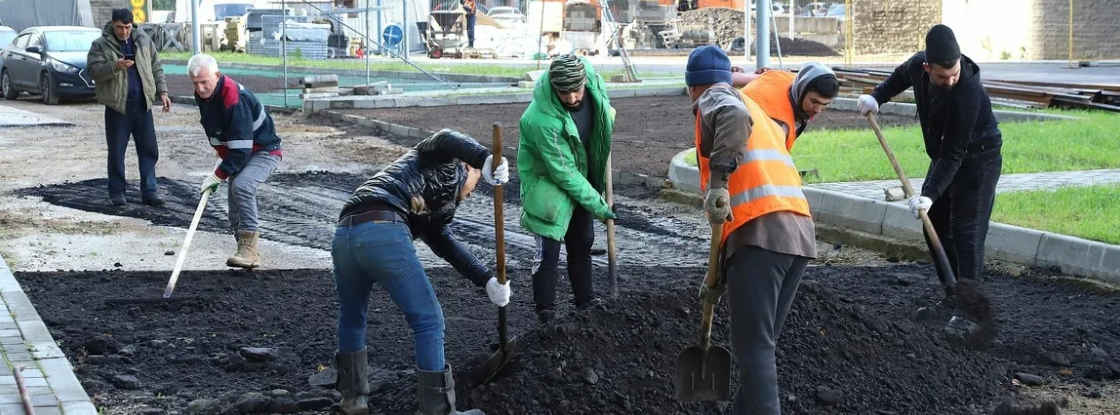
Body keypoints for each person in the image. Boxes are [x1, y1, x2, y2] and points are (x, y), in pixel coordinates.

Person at [331, 129, 510, 415]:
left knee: (352, 319)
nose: (478, 186)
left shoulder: (438, 204)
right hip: (384, 230)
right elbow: (445, 137)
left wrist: (486, 279)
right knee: (428, 320)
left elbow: (445, 244)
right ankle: (439, 410)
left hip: (345, 235)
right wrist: (484, 157)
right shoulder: (440, 158)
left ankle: (352, 400)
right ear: (466, 166)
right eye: (478, 175)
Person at [686, 45, 816, 415]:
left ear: (693, 86)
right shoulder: (756, 106)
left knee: (754, 348)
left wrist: (718, 179)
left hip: (762, 234)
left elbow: (730, 114)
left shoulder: (717, 96)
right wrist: (720, 276)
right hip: (797, 235)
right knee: (760, 345)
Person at [857, 24, 1002, 290]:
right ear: (927, 68)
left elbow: (953, 154)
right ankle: (952, 294)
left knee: (966, 233)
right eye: (942, 76)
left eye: (954, 74)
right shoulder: (917, 65)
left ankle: (970, 309)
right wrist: (877, 97)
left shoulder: (969, 93)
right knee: (933, 222)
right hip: (946, 155)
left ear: (960, 63)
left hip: (978, 161)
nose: (949, 81)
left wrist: (930, 194)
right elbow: (902, 75)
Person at [517, 54, 617, 324]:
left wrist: (607, 121)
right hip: (546, 179)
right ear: (554, 87)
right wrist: (599, 205)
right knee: (549, 247)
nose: (573, 98)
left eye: (577, 90)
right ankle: (546, 315)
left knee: (582, 241)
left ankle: (586, 304)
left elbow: (604, 107)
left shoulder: (593, 80)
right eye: (565, 93)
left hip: (580, 173)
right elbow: (564, 172)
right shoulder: (541, 119)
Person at [188, 54, 283, 269]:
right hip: (239, 151)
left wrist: (218, 175)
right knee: (233, 213)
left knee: (242, 187)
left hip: (263, 151)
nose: (201, 88)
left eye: (205, 82)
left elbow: (241, 150)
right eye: (196, 83)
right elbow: (216, 129)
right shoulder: (204, 96)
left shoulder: (234, 99)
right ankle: (244, 253)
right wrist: (222, 152)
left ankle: (250, 251)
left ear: (217, 75)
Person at [87, 8, 171, 207]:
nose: (123, 32)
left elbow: (156, 67)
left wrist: (163, 92)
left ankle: (150, 191)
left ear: (132, 24)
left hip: (143, 105)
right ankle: (117, 192)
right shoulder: (100, 45)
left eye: (126, 27)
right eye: (119, 27)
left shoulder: (143, 40)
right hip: (118, 107)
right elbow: (93, 71)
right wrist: (116, 66)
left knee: (149, 150)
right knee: (117, 152)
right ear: (112, 24)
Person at [732, 62, 840, 151]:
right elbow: (768, 164)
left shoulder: (784, 77)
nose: (818, 110)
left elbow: (736, 78)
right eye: (814, 101)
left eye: (825, 104)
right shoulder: (780, 124)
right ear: (801, 91)